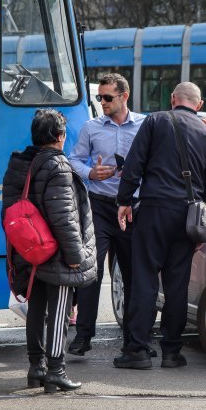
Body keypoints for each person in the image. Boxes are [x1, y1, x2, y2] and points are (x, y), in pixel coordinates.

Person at [113, 82, 206, 370]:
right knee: (177, 285)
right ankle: (172, 352)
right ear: (198, 105)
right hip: (188, 217)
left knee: (145, 280)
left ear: (173, 99)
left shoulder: (156, 120)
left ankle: (137, 350)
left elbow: (135, 163)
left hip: (153, 211)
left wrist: (124, 200)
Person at [1, 109, 97, 393]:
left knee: (36, 308)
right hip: (56, 252)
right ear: (59, 136)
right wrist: (75, 257)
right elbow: (64, 216)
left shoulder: (21, 163)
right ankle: (56, 369)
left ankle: (36, 367)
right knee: (59, 311)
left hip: (31, 250)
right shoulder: (57, 166)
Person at [67, 73, 146, 357]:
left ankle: (133, 338)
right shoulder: (92, 127)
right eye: (100, 97)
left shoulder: (143, 125)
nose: (102, 102)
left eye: (108, 98)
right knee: (92, 270)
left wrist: (137, 173)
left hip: (133, 208)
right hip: (99, 205)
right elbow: (73, 159)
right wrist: (90, 172)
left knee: (132, 275)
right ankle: (84, 335)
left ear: (124, 96)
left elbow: (155, 161)